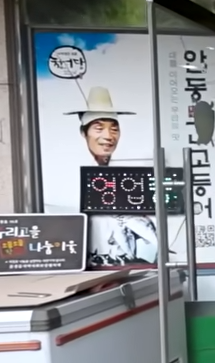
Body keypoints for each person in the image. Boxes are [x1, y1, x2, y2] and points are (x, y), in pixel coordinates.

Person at [63, 86, 158, 266]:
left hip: (125, 265)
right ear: (83, 133)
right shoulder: (70, 176)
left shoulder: (129, 175)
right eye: (99, 128)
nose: (108, 136)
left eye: (114, 129)